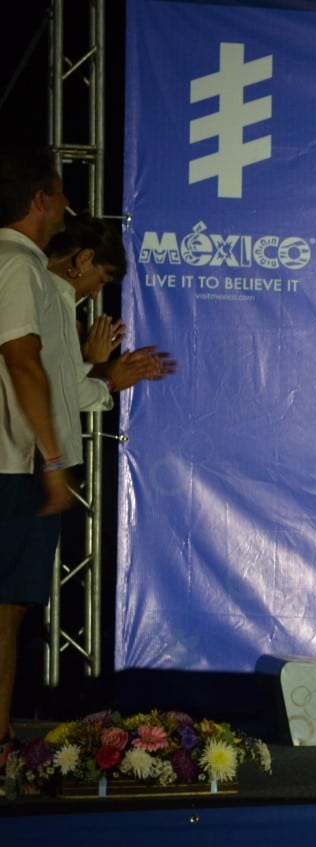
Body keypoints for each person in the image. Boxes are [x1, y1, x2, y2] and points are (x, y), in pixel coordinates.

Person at [0, 147, 75, 774]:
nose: (67, 207)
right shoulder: (17, 265)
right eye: (60, 194)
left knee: (10, 611)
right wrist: (52, 459)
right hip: (12, 464)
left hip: (15, 464)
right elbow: (22, 361)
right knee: (5, 609)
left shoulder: (21, 266)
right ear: (39, 201)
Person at [45, 214, 177, 408]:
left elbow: (56, 377)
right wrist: (110, 381)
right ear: (84, 258)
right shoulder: (48, 301)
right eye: (101, 281)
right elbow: (64, 393)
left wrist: (106, 369)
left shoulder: (49, 296)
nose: (94, 294)